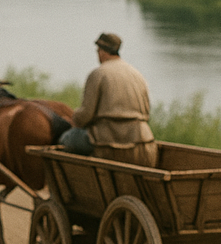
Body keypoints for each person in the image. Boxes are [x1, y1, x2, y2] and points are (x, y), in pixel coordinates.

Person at [60, 32, 158, 168]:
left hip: (107, 140)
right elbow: (147, 113)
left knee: (67, 138)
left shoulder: (98, 74)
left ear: (101, 51)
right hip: (141, 139)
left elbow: (86, 114)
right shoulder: (137, 75)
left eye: (98, 51)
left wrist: (75, 118)